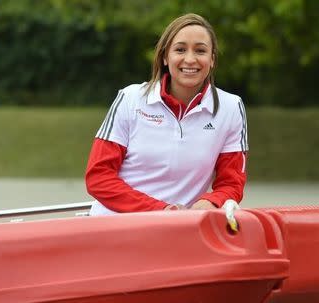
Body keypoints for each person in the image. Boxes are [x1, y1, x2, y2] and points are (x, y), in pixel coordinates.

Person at [85, 13, 248, 215]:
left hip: (178, 231)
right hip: (115, 226)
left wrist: (211, 202)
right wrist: (161, 210)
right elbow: (98, 177)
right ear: (164, 57)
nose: (190, 59)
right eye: (180, 49)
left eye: (200, 50)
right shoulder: (130, 98)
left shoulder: (231, 107)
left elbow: (232, 182)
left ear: (212, 59)